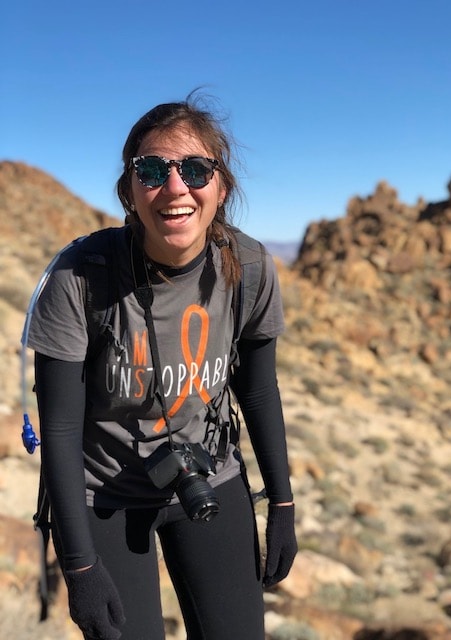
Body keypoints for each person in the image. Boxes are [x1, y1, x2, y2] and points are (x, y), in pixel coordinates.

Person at [28, 93, 297, 640]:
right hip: (105, 495)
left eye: (195, 169)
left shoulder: (247, 267)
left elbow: (260, 391)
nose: (176, 187)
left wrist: (283, 503)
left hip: (209, 476)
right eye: (151, 170)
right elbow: (57, 429)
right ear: (129, 191)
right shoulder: (80, 278)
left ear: (221, 188)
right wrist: (78, 565)